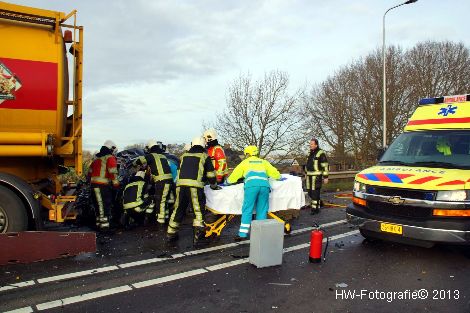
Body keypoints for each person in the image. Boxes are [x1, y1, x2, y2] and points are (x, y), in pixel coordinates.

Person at [167, 136, 219, 245]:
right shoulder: (204, 156)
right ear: (203, 145)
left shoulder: (183, 156)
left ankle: (171, 233)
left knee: (178, 209)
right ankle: (198, 237)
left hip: (180, 186)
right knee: (198, 211)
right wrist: (214, 186)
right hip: (194, 187)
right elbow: (211, 174)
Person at [227, 145, 281, 241]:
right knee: (262, 210)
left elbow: (234, 176)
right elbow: (276, 175)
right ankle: (260, 235)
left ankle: (243, 234)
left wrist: (227, 182)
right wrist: (279, 177)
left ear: (247, 154)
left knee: (248, 209)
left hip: (251, 187)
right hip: (264, 186)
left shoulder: (245, 162)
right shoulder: (264, 162)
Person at [133, 140, 173, 225]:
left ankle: (160, 222)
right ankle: (165, 218)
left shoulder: (151, 156)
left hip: (161, 181)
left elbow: (140, 160)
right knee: (164, 200)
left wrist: (134, 163)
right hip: (169, 180)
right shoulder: (163, 156)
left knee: (160, 200)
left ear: (150, 148)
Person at [88, 140, 120, 230]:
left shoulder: (96, 159)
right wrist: (116, 185)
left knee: (98, 206)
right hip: (102, 186)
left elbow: (89, 173)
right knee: (104, 206)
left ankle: (99, 224)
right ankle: (104, 227)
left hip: (93, 186)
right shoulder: (110, 158)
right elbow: (113, 172)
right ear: (111, 149)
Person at [304, 138, 329, 214]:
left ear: (316, 145)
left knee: (315, 193)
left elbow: (325, 166)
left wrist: (325, 177)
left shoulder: (321, 153)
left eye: (311, 144)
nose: (310, 145)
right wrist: (305, 173)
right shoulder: (309, 153)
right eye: (310, 144)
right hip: (308, 176)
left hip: (317, 176)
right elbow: (307, 164)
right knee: (310, 192)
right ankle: (319, 203)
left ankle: (315, 209)